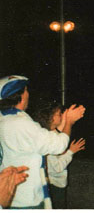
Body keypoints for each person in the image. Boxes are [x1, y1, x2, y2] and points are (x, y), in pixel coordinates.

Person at [0, 75, 85, 209]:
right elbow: (58, 145)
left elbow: (47, 137)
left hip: (9, 195)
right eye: (26, 90)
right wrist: (69, 121)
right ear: (22, 95)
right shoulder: (20, 122)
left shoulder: (5, 119)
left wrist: (64, 121)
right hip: (24, 199)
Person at [32, 101, 86, 209]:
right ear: (50, 118)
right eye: (58, 114)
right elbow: (57, 167)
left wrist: (67, 119)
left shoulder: (49, 134)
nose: (61, 115)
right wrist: (71, 151)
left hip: (56, 183)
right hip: (53, 185)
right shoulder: (46, 139)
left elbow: (59, 133)